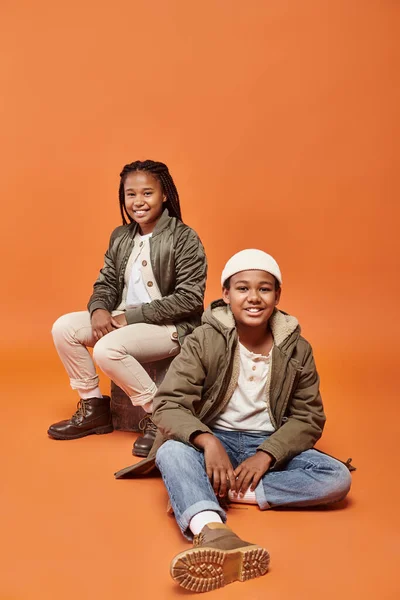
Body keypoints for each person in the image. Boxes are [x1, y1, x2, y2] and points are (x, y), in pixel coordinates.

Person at [115, 249, 353, 593]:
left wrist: (267, 454)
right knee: (170, 453)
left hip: (269, 444)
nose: (253, 298)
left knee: (336, 478)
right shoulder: (204, 339)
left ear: (277, 295)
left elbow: (308, 416)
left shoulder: (296, 348)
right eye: (242, 288)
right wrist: (208, 441)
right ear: (226, 295)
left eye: (264, 289)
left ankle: (205, 491)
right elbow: (167, 404)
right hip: (215, 438)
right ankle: (213, 530)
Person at [48, 160, 207, 457]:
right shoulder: (121, 236)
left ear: (164, 195)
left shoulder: (184, 238)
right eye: (130, 194)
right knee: (63, 328)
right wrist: (98, 310)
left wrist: (127, 318)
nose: (138, 202)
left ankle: (161, 417)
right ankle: (94, 406)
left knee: (107, 350)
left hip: (170, 327)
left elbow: (189, 299)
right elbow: (106, 282)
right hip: (124, 321)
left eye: (147, 193)